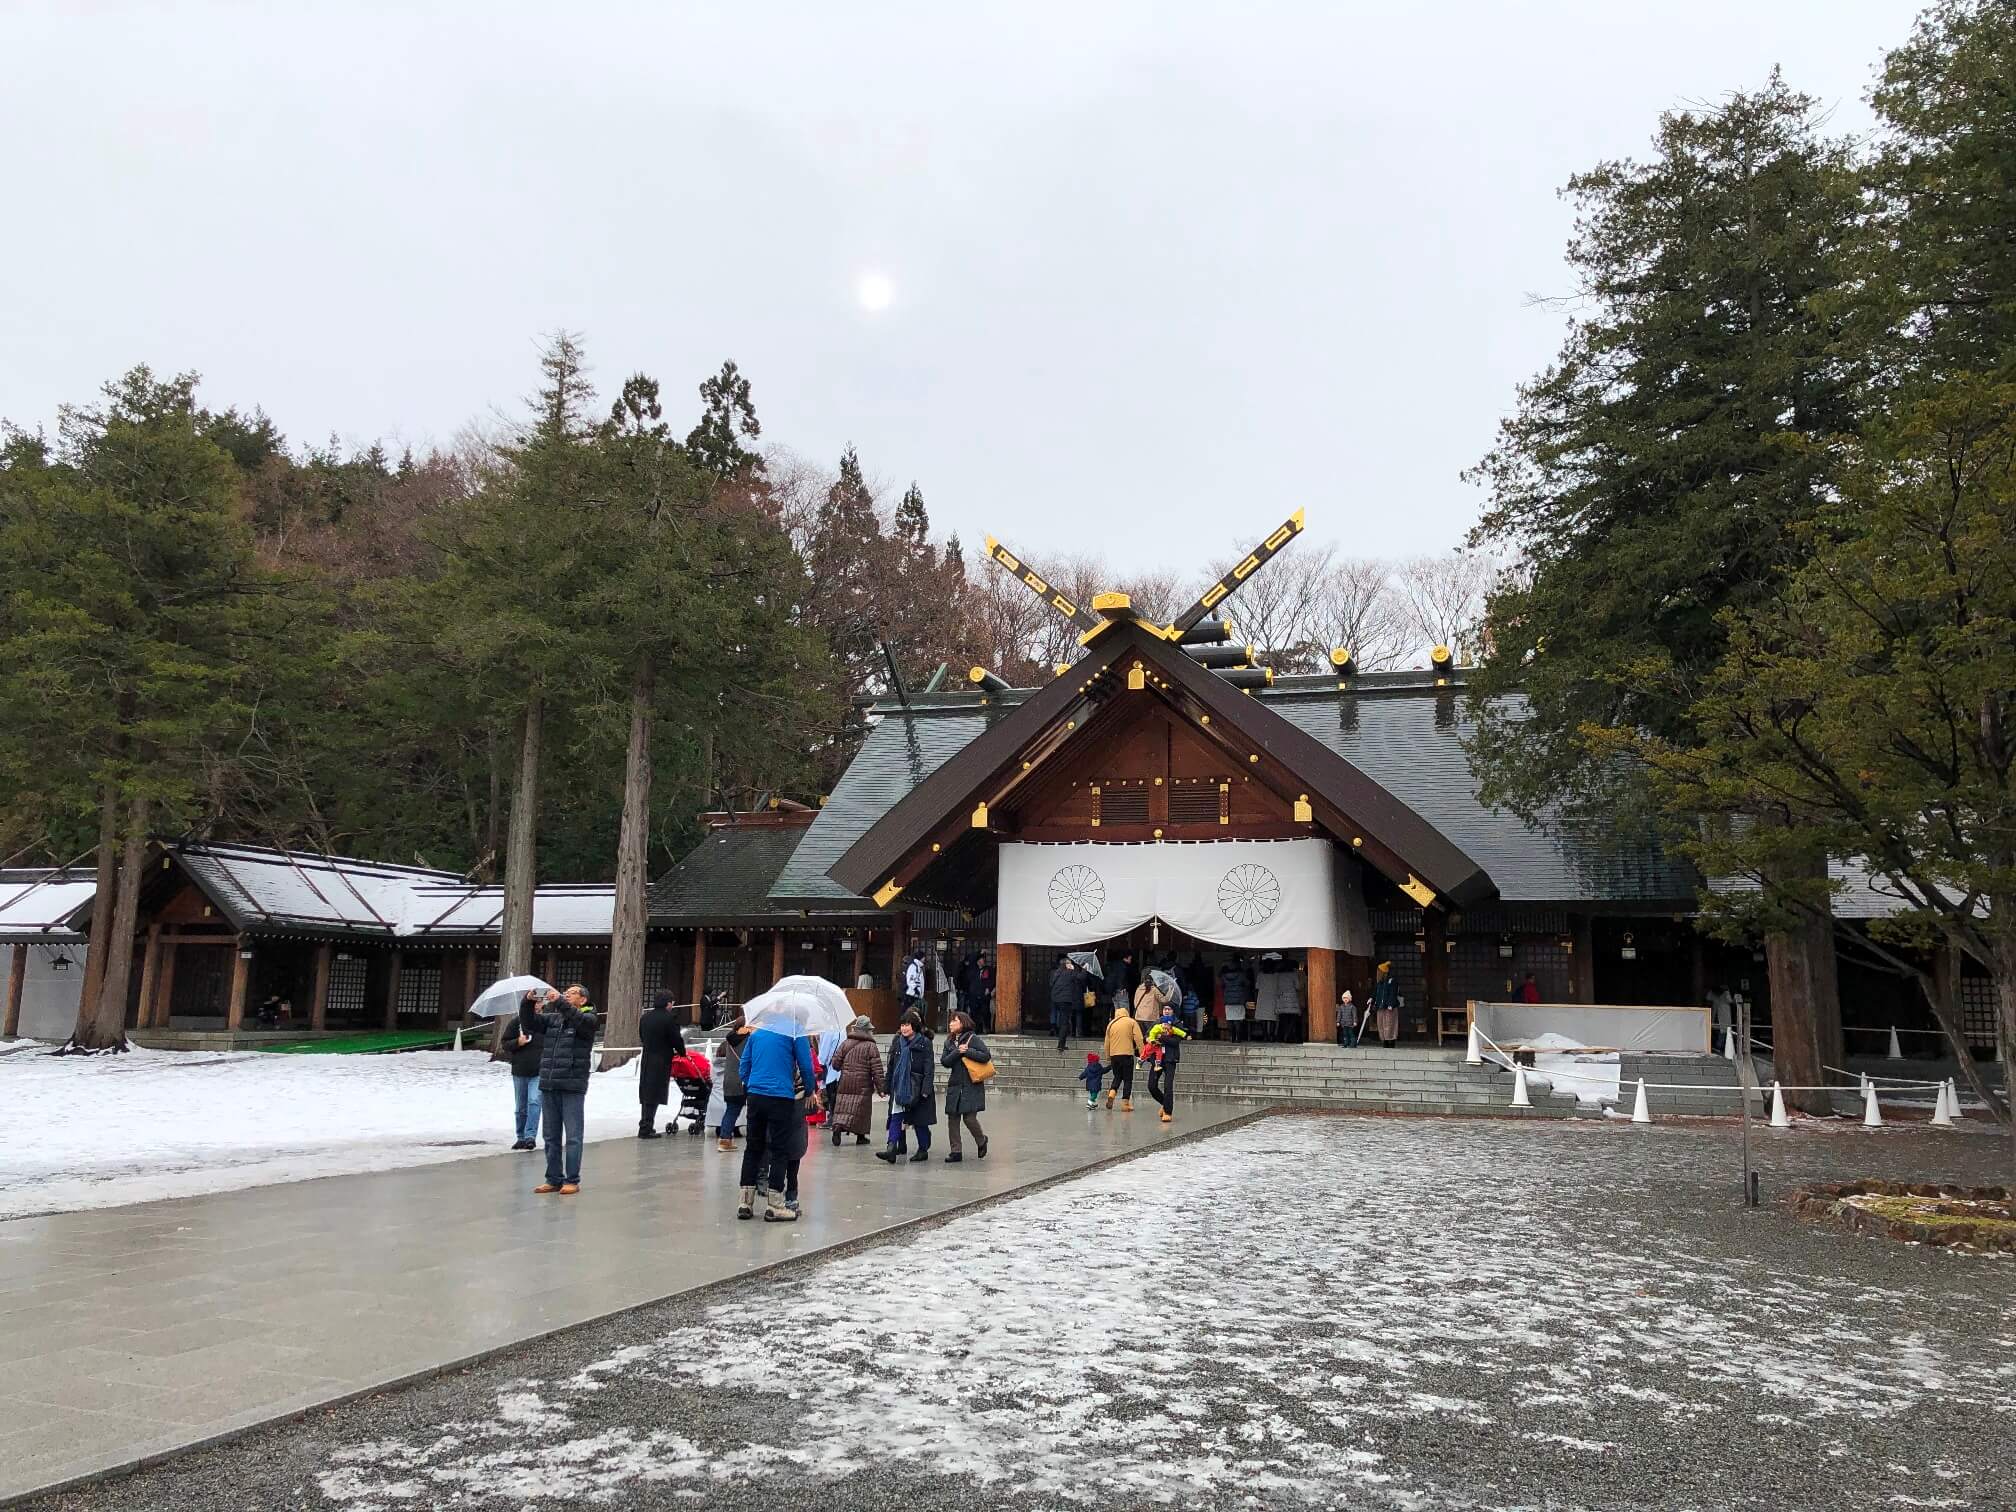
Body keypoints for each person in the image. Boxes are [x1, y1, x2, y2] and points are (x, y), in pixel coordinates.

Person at [736, 1015, 820, 1223]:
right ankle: (775, 1204)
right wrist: (810, 1090)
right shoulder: (795, 1031)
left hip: (756, 1094)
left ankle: (745, 1203)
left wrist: (751, 1084)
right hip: (780, 1095)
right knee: (779, 1149)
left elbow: (744, 1066)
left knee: (753, 1147)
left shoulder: (758, 1032)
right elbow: (806, 1066)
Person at [530, 985, 598, 1195]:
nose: (567, 995)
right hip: (550, 1083)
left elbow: (577, 1020)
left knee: (573, 1136)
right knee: (550, 1135)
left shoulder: (589, 1020)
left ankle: (572, 1179)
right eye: (565, 992)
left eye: (572, 993)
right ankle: (553, 1178)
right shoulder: (554, 1019)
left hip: (572, 1084)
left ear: (583, 1000)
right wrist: (529, 1003)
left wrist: (559, 1000)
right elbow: (530, 1023)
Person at [876, 1011, 937, 1163]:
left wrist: (925, 1090)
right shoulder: (897, 1042)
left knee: (919, 1121)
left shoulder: (924, 1043)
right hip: (899, 1086)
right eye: (902, 1025)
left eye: (907, 1025)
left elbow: (929, 1068)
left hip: (917, 1086)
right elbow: (891, 1066)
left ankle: (923, 1149)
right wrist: (886, 1085)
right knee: (895, 1117)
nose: (904, 1028)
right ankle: (891, 1148)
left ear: (914, 1026)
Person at [939, 1009, 991, 1162]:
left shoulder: (972, 1038)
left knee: (969, 1118)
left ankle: (981, 1140)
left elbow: (985, 1056)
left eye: (954, 1021)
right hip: (955, 1085)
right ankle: (956, 1151)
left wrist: (967, 1051)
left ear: (963, 1022)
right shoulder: (948, 1042)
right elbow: (945, 1062)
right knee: (953, 1118)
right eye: (950, 1021)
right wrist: (957, 1052)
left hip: (971, 1085)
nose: (951, 1024)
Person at [826, 1014, 885, 1146]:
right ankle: (860, 1136)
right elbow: (877, 1070)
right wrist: (881, 1088)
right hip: (862, 1083)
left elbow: (835, 1064)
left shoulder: (845, 1043)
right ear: (867, 1030)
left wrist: (846, 1068)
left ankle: (837, 1128)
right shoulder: (871, 1046)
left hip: (845, 1081)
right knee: (861, 1109)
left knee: (843, 1106)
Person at [636, 989, 686, 1139]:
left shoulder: (645, 1017)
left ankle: (645, 1124)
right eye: (672, 1003)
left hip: (647, 1057)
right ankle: (646, 1127)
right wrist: (682, 1052)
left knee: (646, 1093)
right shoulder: (669, 1018)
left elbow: (642, 1036)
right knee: (655, 1093)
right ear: (668, 1003)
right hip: (661, 1059)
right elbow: (676, 1039)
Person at [506, 989, 545, 1149]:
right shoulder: (516, 1023)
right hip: (520, 1070)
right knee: (520, 1107)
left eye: (539, 1002)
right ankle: (520, 1136)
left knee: (534, 1101)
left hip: (539, 1070)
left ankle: (530, 1136)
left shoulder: (545, 1023)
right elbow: (505, 1043)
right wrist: (517, 1042)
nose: (536, 1005)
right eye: (533, 1002)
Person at [713, 1013, 752, 1150]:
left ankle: (724, 1139)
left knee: (731, 1110)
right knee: (752, 1111)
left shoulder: (729, 1040)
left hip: (729, 1079)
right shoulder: (748, 1039)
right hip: (744, 1080)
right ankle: (753, 1140)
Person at [1145, 1006, 1190, 1123]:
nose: (1166, 1011)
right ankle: (1165, 1104)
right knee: (1151, 1085)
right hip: (1157, 1059)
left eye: (1169, 1009)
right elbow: (1147, 1035)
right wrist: (1150, 1040)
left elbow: (1176, 1041)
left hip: (1170, 1058)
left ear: (1173, 1011)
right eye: (1164, 1009)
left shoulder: (1177, 1024)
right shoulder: (1157, 1023)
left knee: (1168, 1086)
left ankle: (1168, 1112)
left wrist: (1162, 1037)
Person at [1103, 998, 1145, 1110]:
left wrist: (1108, 1057)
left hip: (1114, 1056)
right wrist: (1142, 1053)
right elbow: (1139, 1038)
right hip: (1127, 1055)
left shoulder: (1111, 1024)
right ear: (1127, 1013)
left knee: (1117, 1076)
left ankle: (1112, 1093)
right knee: (1127, 1079)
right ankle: (1125, 1103)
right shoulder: (1131, 1022)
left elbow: (1107, 1043)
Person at [1048, 955, 1081, 1052]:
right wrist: (1083, 969)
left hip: (1056, 999)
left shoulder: (1056, 972)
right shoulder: (1070, 973)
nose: (1071, 964)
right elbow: (1080, 977)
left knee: (1061, 1018)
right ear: (1066, 964)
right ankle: (1061, 1044)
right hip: (1065, 1000)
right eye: (1070, 963)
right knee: (1065, 1022)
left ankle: (1055, 1029)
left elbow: (1051, 984)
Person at [1220, 955, 1254, 1042]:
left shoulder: (1224, 976)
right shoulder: (1241, 975)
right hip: (1239, 1000)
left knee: (1230, 1019)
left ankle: (1232, 1037)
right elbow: (1248, 984)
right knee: (1238, 1019)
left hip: (1228, 1000)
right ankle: (1238, 1038)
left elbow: (1222, 986)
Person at [1371, 961, 1399, 1046]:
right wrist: (1371, 998)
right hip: (1380, 1006)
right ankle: (1384, 1040)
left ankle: (1391, 1040)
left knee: (1390, 1023)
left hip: (1389, 1007)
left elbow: (1393, 993)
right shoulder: (1379, 983)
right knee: (1381, 1023)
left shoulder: (1391, 981)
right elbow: (1375, 992)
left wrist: (1391, 1004)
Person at [902, 949, 927, 1018]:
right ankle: (904, 1026)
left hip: (915, 994)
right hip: (912, 994)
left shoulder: (918, 966)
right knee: (909, 1012)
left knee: (914, 1013)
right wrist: (916, 989)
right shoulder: (914, 966)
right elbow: (910, 980)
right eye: (924, 957)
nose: (925, 959)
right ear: (921, 958)